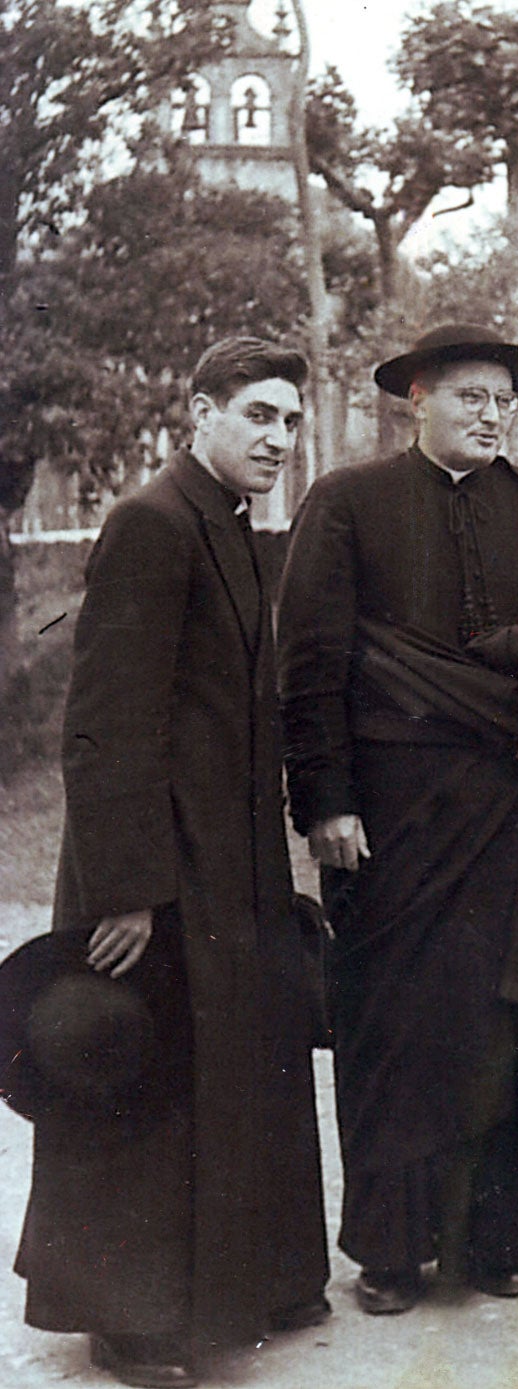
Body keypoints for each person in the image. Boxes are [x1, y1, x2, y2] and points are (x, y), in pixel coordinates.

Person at [277, 323, 518, 1314]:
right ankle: (390, 1253)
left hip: (513, 809)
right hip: (389, 819)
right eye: (468, 396)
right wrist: (325, 801)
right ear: (415, 398)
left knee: (512, 1025)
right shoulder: (344, 503)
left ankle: (500, 1242)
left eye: (502, 399)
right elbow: (307, 667)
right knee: (393, 1028)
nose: (489, 414)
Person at [14, 338, 331, 1388]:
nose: (277, 440)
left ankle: (241, 1289)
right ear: (199, 413)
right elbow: (104, 724)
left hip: (227, 866)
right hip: (155, 873)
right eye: (256, 416)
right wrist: (128, 893)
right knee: (140, 1084)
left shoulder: (233, 526)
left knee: (228, 1079)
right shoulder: (152, 523)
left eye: (289, 421)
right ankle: (129, 1318)